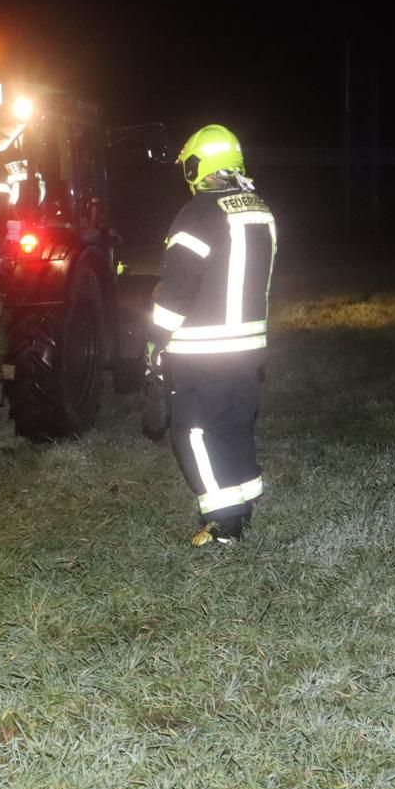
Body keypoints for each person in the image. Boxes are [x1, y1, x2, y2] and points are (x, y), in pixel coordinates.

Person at [148, 124, 278, 546]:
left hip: (202, 348)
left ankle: (223, 522)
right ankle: (244, 503)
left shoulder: (198, 214)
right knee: (235, 422)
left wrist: (155, 337)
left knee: (195, 431)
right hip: (248, 346)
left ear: (196, 165)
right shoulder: (258, 208)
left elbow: (177, 289)